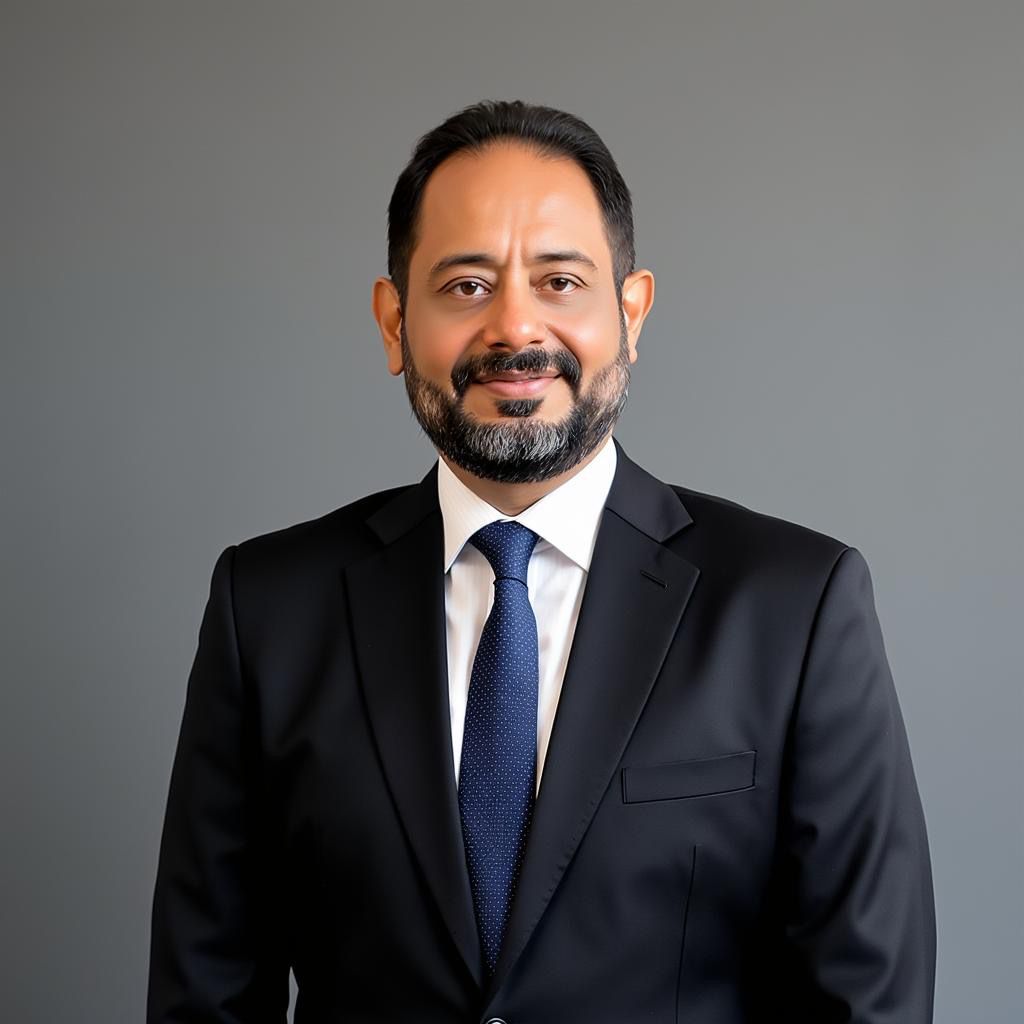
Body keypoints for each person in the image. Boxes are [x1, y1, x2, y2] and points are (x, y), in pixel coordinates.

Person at [148, 100, 936, 1023]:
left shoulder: (794, 607)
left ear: (631, 313)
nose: (515, 329)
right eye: (466, 285)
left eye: (560, 281)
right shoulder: (269, 609)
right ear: (394, 322)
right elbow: (205, 995)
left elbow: (868, 998)